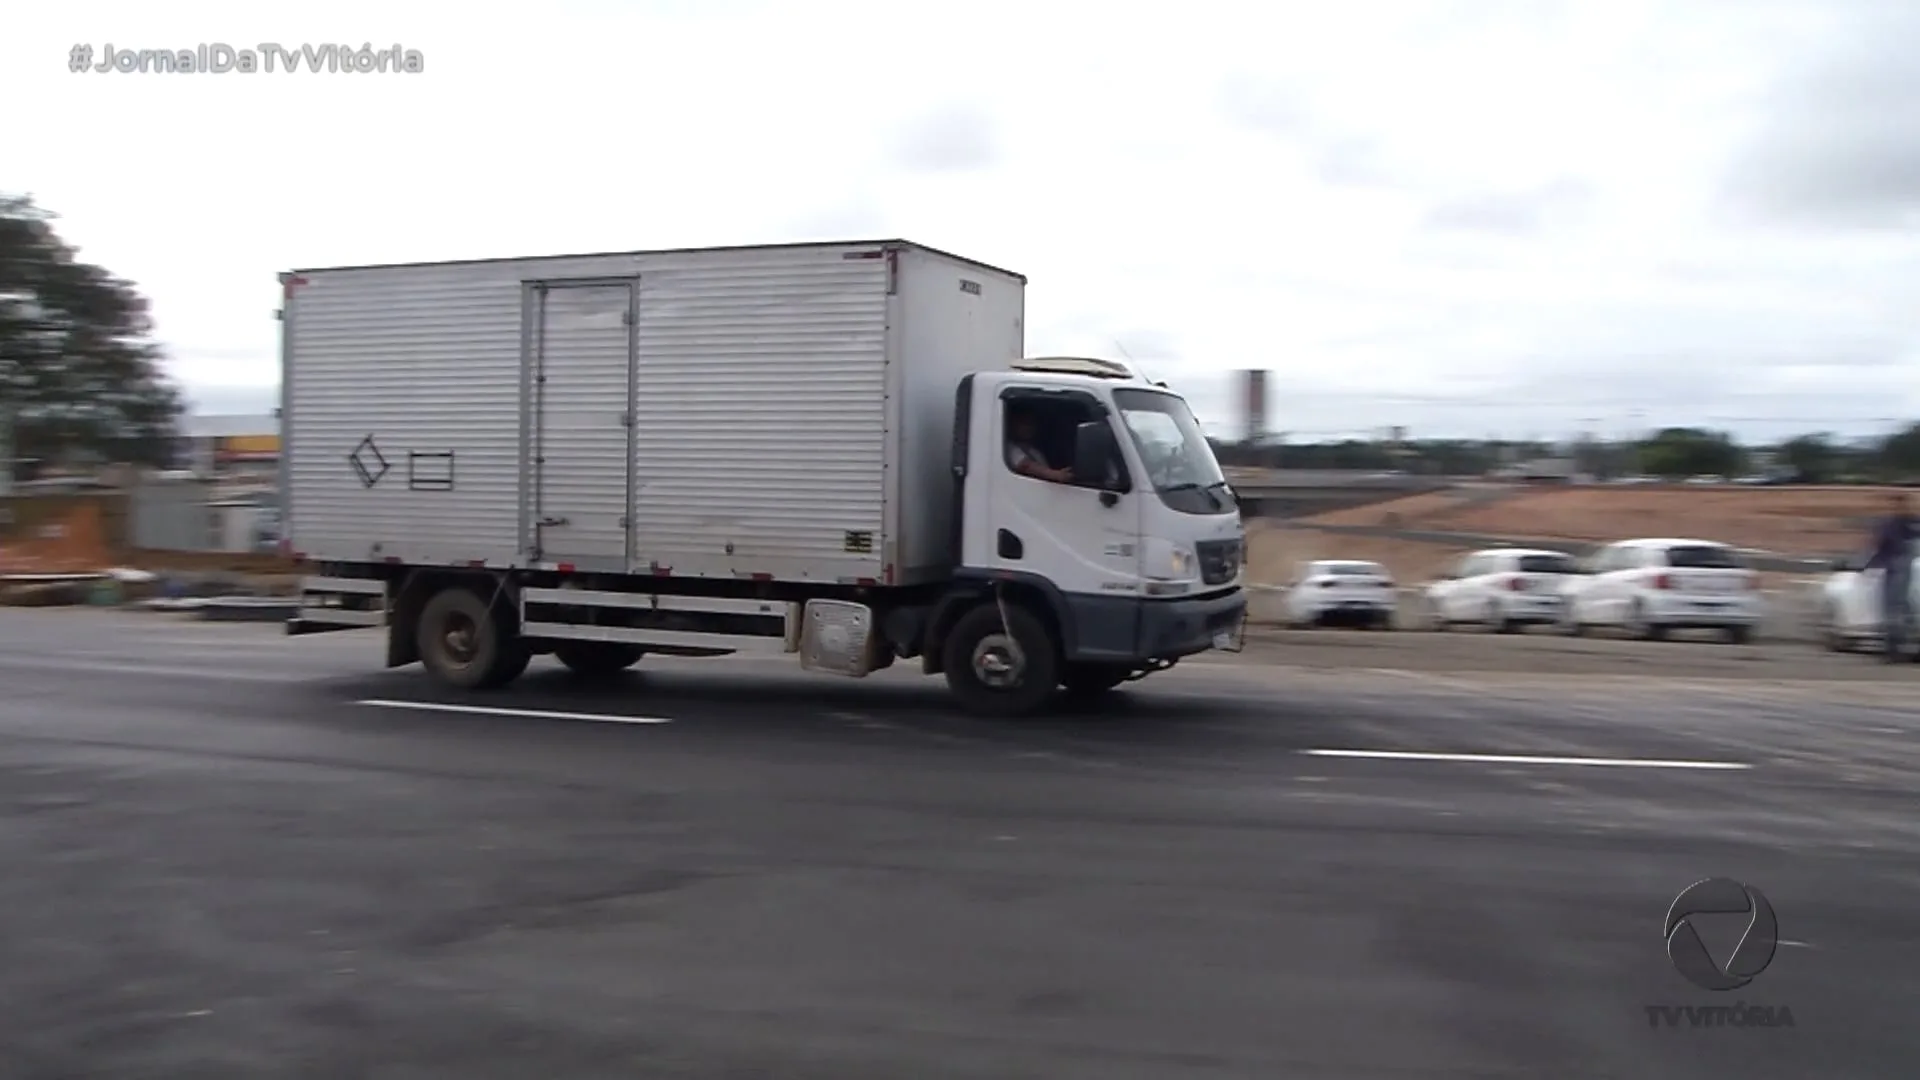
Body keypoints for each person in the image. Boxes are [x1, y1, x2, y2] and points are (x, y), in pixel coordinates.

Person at [1865, 492, 1917, 662]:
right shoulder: (1904, 523)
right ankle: (1897, 646)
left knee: (1894, 607)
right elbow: (1880, 547)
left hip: (1899, 567)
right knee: (1900, 607)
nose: (1895, 508)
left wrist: (1871, 564)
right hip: (1898, 567)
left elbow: (1881, 547)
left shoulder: (1905, 524)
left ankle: (1895, 649)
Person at [1006, 411, 1074, 484]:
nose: (1029, 427)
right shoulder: (1009, 447)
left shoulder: (1034, 451)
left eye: (1032, 423)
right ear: (1013, 425)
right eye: (1024, 423)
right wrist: (1055, 475)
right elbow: (1025, 466)